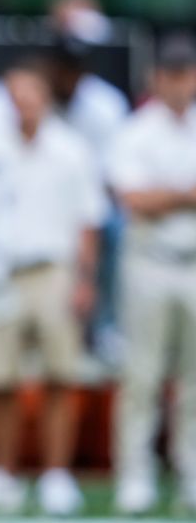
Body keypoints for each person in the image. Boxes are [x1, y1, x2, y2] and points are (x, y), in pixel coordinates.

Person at [0, 59, 108, 516]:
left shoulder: (71, 149)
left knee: (61, 375)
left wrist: (85, 280)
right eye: (14, 95)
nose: (23, 103)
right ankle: (2, 473)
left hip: (54, 270)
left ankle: (57, 475)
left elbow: (88, 222)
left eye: (30, 93)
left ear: (45, 95)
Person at [107, 33, 196, 516]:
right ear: (158, 77)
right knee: (141, 375)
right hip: (149, 264)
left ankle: (190, 472)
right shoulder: (137, 130)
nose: (181, 84)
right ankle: (134, 475)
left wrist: (167, 197)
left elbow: (150, 196)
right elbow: (133, 198)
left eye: (187, 74)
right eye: (173, 74)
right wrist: (184, 196)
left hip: (193, 264)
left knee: (194, 379)